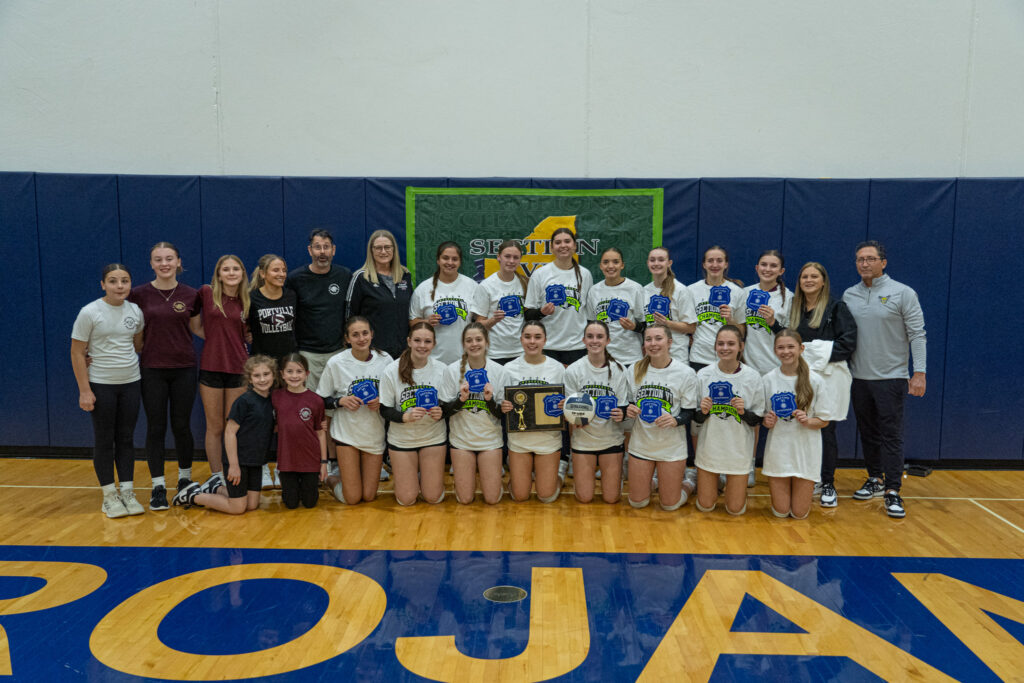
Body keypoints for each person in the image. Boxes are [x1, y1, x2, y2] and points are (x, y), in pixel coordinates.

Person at [843, 240, 926, 519]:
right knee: (868, 433)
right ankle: (875, 479)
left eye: (869, 259)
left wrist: (919, 373)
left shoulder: (903, 293)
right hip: (858, 377)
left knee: (891, 435)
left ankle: (893, 490)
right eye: (859, 259)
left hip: (891, 378)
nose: (864, 264)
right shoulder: (849, 295)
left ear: (883, 262)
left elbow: (918, 334)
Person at [128, 242, 200, 510]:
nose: (164, 263)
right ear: (151, 264)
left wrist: (241, 335)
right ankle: (158, 486)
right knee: (156, 427)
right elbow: (128, 331)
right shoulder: (138, 295)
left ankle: (184, 479)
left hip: (184, 368)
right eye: (158, 259)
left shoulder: (192, 295)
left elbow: (198, 330)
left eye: (169, 258)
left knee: (181, 426)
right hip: (152, 369)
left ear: (178, 261)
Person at [71, 264, 146, 518]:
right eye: (113, 281)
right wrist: (85, 390)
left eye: (124, 281)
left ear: (130, 284)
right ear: (103, 284)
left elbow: (136, 345)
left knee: (126, 438)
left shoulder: (135, 311)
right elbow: (77, 352)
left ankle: (127, 491)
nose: (119, 286)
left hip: (131, 383)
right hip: (101, 384)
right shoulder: (90, 312)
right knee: (105, 440)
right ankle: (109, 496)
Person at [789, 262, 856, 508]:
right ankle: (808, 477)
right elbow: (791, 343)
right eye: (804, 276)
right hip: (802, 377)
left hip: (828, 379)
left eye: (814, 276)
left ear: (823, 281)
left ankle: (828, 482)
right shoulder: (796, 309)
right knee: (801, 426)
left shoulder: (837, 307)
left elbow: (847, 344)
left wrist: (811, 350)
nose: (808, 280)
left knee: (825, 429)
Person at [173, 356, 277, 514]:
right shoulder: (244, 402)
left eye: (266, 374)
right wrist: (234, 465)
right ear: (249, 378)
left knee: (252, 505)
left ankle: (216, 488)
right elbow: (229, 433)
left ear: (274, 375)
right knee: (237, 508)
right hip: (239, 461)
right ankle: (192, 495)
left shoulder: (272, 401)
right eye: (257, 376)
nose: (262, 379)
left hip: (255, 462)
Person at [317, 317, 392, 505]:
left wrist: (382, 401)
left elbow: (395, 395)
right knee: (352, 498)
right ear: (347, 338)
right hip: (346, 435)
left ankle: (352, 480)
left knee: (368, 496)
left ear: (372, 334)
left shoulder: (385, 360)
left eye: (365, 333)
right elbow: (319, 400)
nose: (361, 338)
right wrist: (340, 401)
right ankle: (330, 479)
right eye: (355, 335)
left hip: (373, 434)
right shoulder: (336, 362)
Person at [762, 330, 835, 519]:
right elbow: (761, 415)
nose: (786, 351)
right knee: (781, 512)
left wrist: (808, 420)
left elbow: (825, 419)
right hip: (778, 451)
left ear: (801, 349)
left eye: (790, 347)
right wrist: (767, 420)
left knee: (799, 514)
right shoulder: (767, 380)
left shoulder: (816, 380)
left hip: (805, 453)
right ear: (774, 351)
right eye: (780, 347)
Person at [693, 325, 765, 515]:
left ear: (741, 346)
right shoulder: (703, 375)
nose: (725, 348)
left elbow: (757, 419)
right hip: (710, 448)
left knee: (735, 509)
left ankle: (729, 481)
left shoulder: (752, 376)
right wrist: (704, 411)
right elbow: (695, 418)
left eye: (731, 344)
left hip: (738, 450)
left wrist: (743, 412)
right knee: (706, 505)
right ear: (715, 346)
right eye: (721, 344)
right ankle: (697, 481)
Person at [625, 324, 698, 510]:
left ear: (670, 342)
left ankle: (689, 482)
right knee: (637, 502)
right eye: (648, 339)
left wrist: (676, 420)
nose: (653, 343)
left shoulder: (685, 373)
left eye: (658, 338)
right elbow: (626, 403)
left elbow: (689, 412)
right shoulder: (633, 369)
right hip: (642, 445)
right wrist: (629, 409)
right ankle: (656, 480)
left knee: (669, 505)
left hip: (671, 447)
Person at [192, 254, 250, 488]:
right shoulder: (206, 293)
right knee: (214, 426)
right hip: (211, 367)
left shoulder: (248, 299)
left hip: (239, 369)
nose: (231, 272)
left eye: (236, 268)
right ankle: (217, 476)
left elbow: (247, 334)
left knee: (233, 425)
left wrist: (234, 343)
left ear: (242, 273)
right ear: (218, 274)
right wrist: (217, 340)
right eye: (226, 269)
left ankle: (233, 471)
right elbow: (194, 325)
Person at [378, 322, 448, 505]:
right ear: (409, 341)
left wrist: (441, 411)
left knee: (432, 497)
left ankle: (424, 477)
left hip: (433, 437)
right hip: (402, 440)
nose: (422, 346)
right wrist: (404, 417)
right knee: (407, 499)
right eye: (417, 340)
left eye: (427, 341)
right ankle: (409, 477)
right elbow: (384, 409)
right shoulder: (391, 371)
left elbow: (449, 406)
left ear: (434, 344)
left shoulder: (442, 370)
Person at [740, 250, 793, 487]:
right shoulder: (746, 294)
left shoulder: (788, 298)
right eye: (764, 265)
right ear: (757, 267)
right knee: (751, 419)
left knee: (779, 419)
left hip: (776, 368)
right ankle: (748, 465)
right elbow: (739, 328)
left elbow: (790, 337)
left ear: (781, 271)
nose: (768, 269)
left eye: (773, 266)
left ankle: (782, 467)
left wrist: (774, 323)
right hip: (750, 366)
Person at [441, 322, 508, 505]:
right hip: (461, 442)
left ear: (487, 342)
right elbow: (444, 412)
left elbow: (501, 415)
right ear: (463, 344)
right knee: (465, 499)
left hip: (490, 441)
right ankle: (465, 483)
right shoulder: (452, 370)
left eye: (478, 339)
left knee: (492, 499)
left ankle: (492, 481)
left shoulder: (500, 371)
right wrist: (460, 400)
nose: (474, 344)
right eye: (469, 340)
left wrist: (489, 400)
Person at [563, 321, 630, 504]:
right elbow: (571, 412)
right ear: (583, 340)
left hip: (611, 440)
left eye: (599, 337)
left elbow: (623, 407)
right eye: (590, 336)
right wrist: (574, 418)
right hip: (583, 442)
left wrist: (621, 414)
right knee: (584, 498)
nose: (594, 341)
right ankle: (569, 464)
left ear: (608, 340)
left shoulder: (619, 370)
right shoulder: (574, 370)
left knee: (611, 498)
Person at [501, 321, 566, 502]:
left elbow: (567, 404)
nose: (532, 342)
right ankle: (520, 475)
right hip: (519, 440)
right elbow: (501, 402)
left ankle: (557, 475)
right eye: (527, 337)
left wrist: (564, 405)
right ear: (521, 339)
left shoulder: (557, 368)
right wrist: (503, 406)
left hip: (548, 439)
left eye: (537, 337)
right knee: (519, 496)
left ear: (545, 340)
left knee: (546, 496)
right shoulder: (508, 368)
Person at [286, 229, 352, 390]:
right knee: (309, 402)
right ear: (310, 250)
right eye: (317, 247)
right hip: (307, 354)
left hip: (337, 351)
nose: (322, 252)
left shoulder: (344, 275)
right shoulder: (295, 279)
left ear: (333, 250)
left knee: (338, 401)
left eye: (326, 247)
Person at [524, 228, 593, 365]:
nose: (563, 245)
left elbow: (590, 314)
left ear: (574, 246)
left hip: (577, 346)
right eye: (558, 242)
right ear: (552, 247)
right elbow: (527, 315)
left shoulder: (585, 274)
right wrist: (541, 312)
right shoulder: (540, 274)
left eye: (567, 241)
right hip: (548, 346)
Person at [409, 241, 485, 366]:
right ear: (438, 260)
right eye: (445, 258)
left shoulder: (472, 286)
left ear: (460, 262)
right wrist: (427, 322)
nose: (450, 262)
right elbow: (412, 322)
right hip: (431, 360)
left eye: (454, 259)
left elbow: (480, 321)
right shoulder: (423, 289)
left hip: (465, 359)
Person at [346, 229, 413, 360]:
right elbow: (350, 317)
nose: (383, 251)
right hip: (374, 353)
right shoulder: (361, 278)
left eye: (387, 247)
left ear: (394, 249)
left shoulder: (405, 275)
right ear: (371, 251)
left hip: (404, 353)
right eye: (378, 248)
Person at [272, 353, 328, 509]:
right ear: (282, 374)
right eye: (289, 371)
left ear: (307, 374)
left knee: (310, 503)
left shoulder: (316, 400)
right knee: (291, 504)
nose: (294, 375)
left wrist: (323, 463)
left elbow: (320, 432)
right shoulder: (276, 397)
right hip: (287, 460)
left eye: (299, 371)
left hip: (310, 459)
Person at [687, 246, 745, 369]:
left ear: (726, 264)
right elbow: (688, 325)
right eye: (710, 260)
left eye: (719, 261)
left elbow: (742, 332)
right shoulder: (691, 290)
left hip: (727, 357)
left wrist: (730, 320)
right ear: (704, 264)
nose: (715, 264)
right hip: (699, 357)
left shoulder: (737, 292)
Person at [587, 247, 646, 364]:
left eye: (615, 262)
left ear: (622, 265)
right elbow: (590, 324)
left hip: (631, 357)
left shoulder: (635, 289)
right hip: (603, 357)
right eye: (606, 262)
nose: (610, 266)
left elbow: (646, 326)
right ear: (600, 266)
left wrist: (634, 327)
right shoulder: (594, 291)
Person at [643, 246, 697, 365]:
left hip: (676, 357)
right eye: (652, 260)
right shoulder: (644, 290)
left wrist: (667, 323)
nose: (656, 263)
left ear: (669, 263)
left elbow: (691, 327)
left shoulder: (681, 290)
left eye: (661, 260)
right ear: (647, 263)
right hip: (652, 357)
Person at [478, 239, 528, 364]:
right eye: (507, 256)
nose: (511, 261)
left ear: (520, 259)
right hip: (494, 353)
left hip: (521, 351)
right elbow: (478, 325)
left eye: (515, 257)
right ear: (499, 257)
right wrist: (493, 320)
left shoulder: (526, 283)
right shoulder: (486, 286)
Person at [248, 253, 297, 360]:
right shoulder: (252, 298)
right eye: (276, 270)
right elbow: (244, 326)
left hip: (288, 360)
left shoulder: (292, 296)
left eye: (284, 270)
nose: (282, 274)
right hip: (262, 361)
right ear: (262, 273)